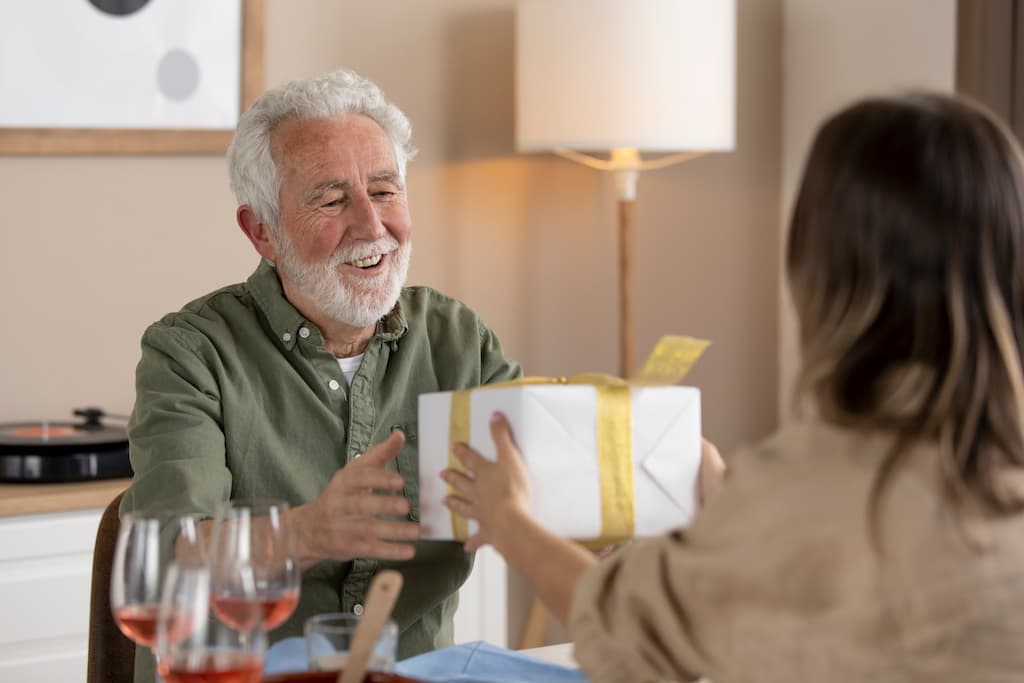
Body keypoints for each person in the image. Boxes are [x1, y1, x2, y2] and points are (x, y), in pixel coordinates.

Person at [443, 92, 1024, 682]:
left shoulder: (814, 489)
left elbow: (622, 628)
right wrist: (732, 516)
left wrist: (508, 519)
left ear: (819, 271)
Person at [121, 69, 522, 681]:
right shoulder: (191, 352)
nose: (371, 225)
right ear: (262, 232)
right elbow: (171, 561)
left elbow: (556, 490)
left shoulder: (458, 339)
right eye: (332, 200)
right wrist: (306, 533)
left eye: (385, 191)